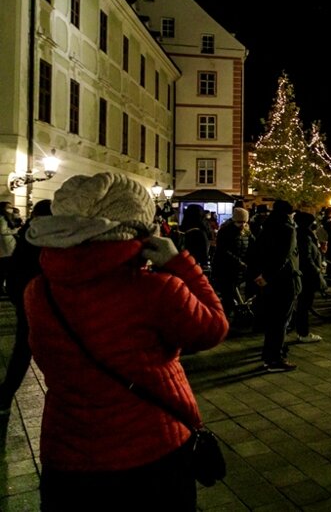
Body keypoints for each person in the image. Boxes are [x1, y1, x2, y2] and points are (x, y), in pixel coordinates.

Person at [22, 172, 227, 509]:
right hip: (151, 453)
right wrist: (180, 263)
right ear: (137, 228)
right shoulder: (155, 290)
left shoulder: (38, 292)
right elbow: (213, 328)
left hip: (68, 458)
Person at [0, 199, 51, 416]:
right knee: (25, 348)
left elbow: (13, 273)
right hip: (37, 300)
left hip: (27, 298)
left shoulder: (27, 234)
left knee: (24, 348)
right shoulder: (45, 238)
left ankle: (4, 396)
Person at [249, 199, 301, 372]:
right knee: (280, 321)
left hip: (268, 280)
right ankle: (275, 359)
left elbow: (256, 250)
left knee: (272, 319)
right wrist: (267, 276)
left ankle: (269, 354)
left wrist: (258, 275)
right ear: (289, 213)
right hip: (283, 280)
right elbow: (283, 256)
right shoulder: (288, 229)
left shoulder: (267, 227)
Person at [211, 207, 252, 318]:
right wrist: (238, 262)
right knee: (228, 295)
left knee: (233, 293)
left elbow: (252, 246)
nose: (242, 224)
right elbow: (223, 251)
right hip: (225, 268)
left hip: (238, 269)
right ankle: (226, 318)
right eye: (240, 222)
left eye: (244, 222)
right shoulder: (225, 231)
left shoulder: (247, 232)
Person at [292, 211, 324, 343]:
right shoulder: (305, 236)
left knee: (303, 304)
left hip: (305, 273)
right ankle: (303, 332)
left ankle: (301, 330)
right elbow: (307, 257)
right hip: (307, 275)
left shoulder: (302, 234)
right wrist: (316, 270)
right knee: (304, 304)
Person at [179, 204, 211, 271]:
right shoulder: (200, 233)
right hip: (194, 268)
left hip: (181, 266)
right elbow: (204, 255)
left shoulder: (181, 231)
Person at [0, 201, 18, 297]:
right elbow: (3, 231)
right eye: (8, 207)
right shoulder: (2, 218)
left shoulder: (5, 217)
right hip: (6, 247)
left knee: (4, 269)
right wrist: (14, 230)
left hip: (6, 247)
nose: (11, 209)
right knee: (5, 269)